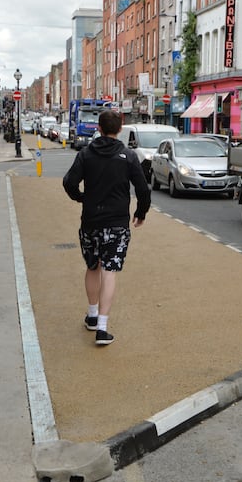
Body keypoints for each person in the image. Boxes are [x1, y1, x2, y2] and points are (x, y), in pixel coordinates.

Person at [62, 110, 151, 345]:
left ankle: (92, 316)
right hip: (117, 223)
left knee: (93, 267)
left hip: (90, 221)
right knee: (109, 271)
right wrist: (140, 213)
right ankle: (102, 328)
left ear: (98, 128)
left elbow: (69, 182)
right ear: (119, 129)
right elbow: (143, 189)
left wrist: (81, 198)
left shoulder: (85, 154)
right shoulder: (128, 155)